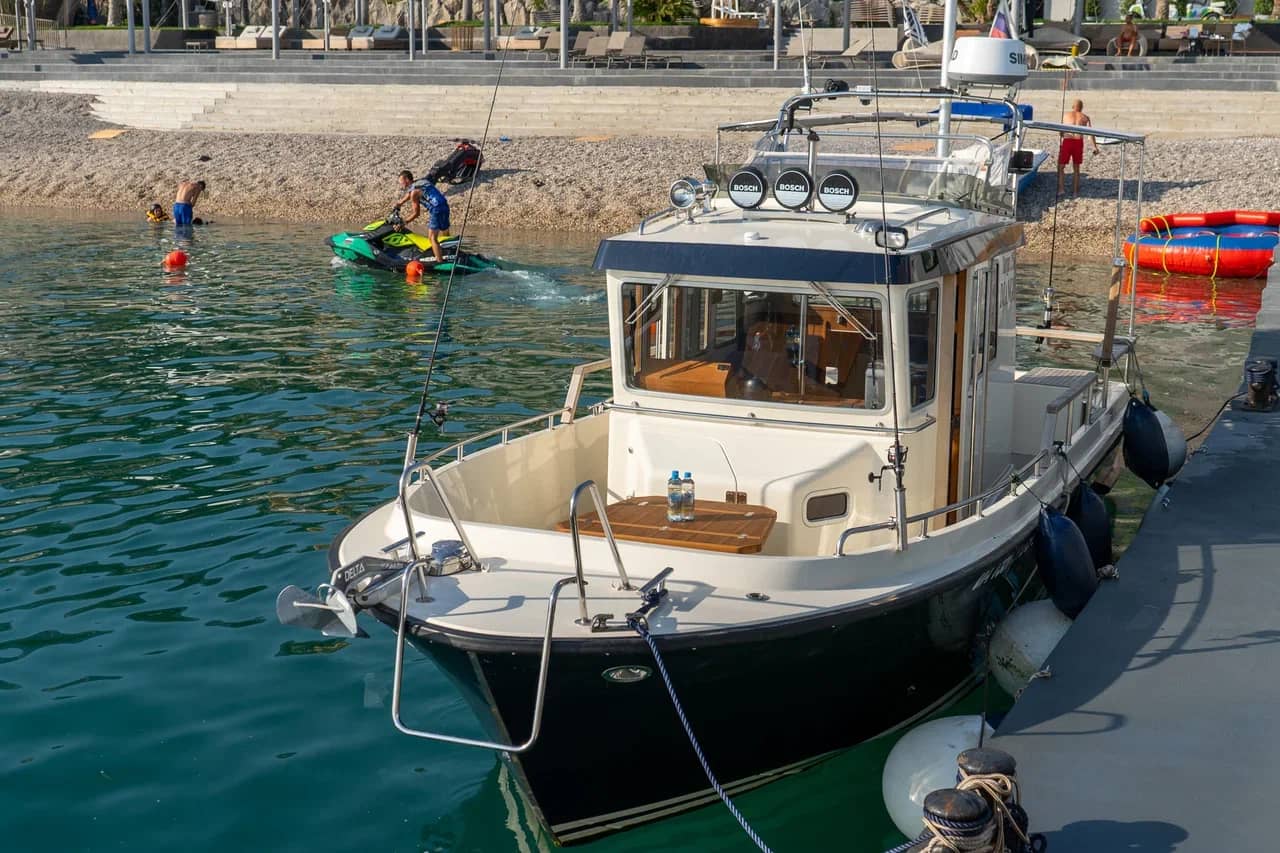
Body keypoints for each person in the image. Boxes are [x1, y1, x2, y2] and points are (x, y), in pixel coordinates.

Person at [393, 169, 450, 264]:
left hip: (436, 210)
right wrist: (400, 203)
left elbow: (416, 213)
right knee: (445, 231)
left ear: (407, 180)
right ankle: (450, 251)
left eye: (401, 182)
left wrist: (404, 223)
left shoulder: (414, 193)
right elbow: (410, 193)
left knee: (432, 238)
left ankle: (440, 262)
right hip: (444, 205)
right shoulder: (421, 182)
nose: (401, 185)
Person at [1056, 99, 1100, 197]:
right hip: (1078, 142)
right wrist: (1094, 147)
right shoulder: (1085, 117)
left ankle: (1061, 189)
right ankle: (1075, 192)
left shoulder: (1066, 116)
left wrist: (1062, 135)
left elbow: (1061, 132)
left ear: (1073, 106)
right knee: (1076, 168)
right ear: (1081, 108)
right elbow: (1090, 134)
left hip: (1067, 141)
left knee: (1061, 167)